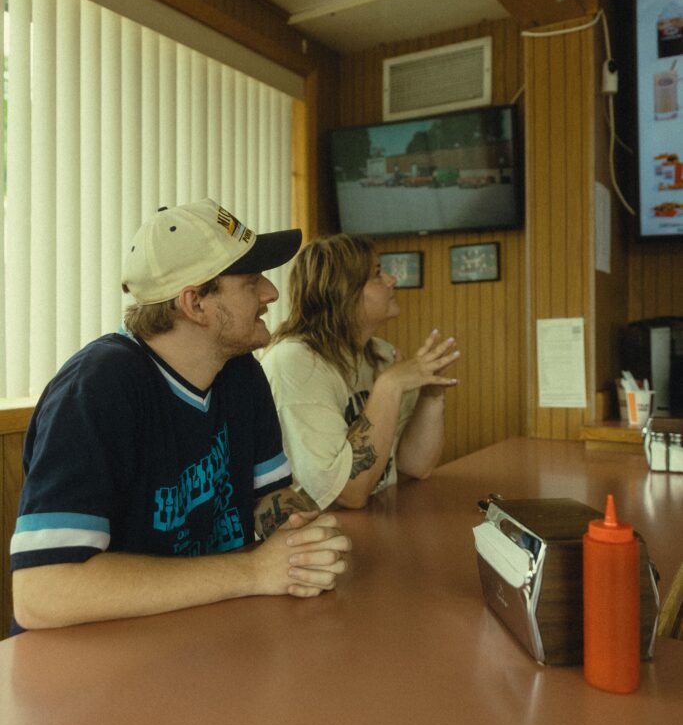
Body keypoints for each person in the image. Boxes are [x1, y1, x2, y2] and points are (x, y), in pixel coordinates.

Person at [10, 199, 352, 631]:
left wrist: (305, 535)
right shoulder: (95, 389)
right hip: (89, 669)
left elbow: (270, 499)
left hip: (204, 635)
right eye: (250, 281)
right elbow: (42, 593)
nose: (271, 292)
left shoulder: (241, 372)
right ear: (195, 304)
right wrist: (254, 572)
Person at [261, 234, 459, 510]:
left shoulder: (380, 353)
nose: (392, 280)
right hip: (314, 536)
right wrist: (390, 386)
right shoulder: (294, 362)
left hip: (373, 520)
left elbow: (415, 466)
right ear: (343, 292)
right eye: (377, 275)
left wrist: (431, 393)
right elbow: (346, 494)